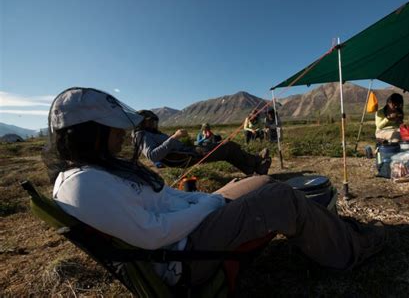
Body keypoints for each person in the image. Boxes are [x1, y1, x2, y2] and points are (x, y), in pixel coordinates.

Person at [44, 87, 385, 289]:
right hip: (182, 254)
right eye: (112, 128)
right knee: (281, 198)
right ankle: (352, 248)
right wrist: (208, 207)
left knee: (263, 183)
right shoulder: (82, 185)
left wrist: (206, 199)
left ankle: (333, 231)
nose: (120, 135)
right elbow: (152, 235)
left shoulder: (101, 171)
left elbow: (165, 199)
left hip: (190, 225)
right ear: (90, 132)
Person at [133, 110, 271, 175]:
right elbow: (153, 156)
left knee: (228, 146)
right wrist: (174, 137)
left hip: (189, 151)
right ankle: (256, 164)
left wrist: (176, 138)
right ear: (145, 121)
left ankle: (253, 168)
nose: (155, 125)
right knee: (227, 147)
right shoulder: (141, 134)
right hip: (187, 156)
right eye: (153, 122)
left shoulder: (149, 133)